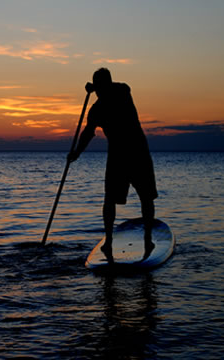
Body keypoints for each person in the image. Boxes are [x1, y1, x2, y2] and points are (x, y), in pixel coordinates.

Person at [68, 68, 158, 262]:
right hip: (119, 155)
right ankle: (108, 240)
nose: (99, 92)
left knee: (146, 196)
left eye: (100, 87)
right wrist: (76, 153)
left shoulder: (122, 92)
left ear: (106, 84)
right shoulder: (98, 108)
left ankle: (148, 239)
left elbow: (119, 87)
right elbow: (87, 133)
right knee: (110, 199)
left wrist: (96, 87)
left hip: (137, 152)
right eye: (98, 88)